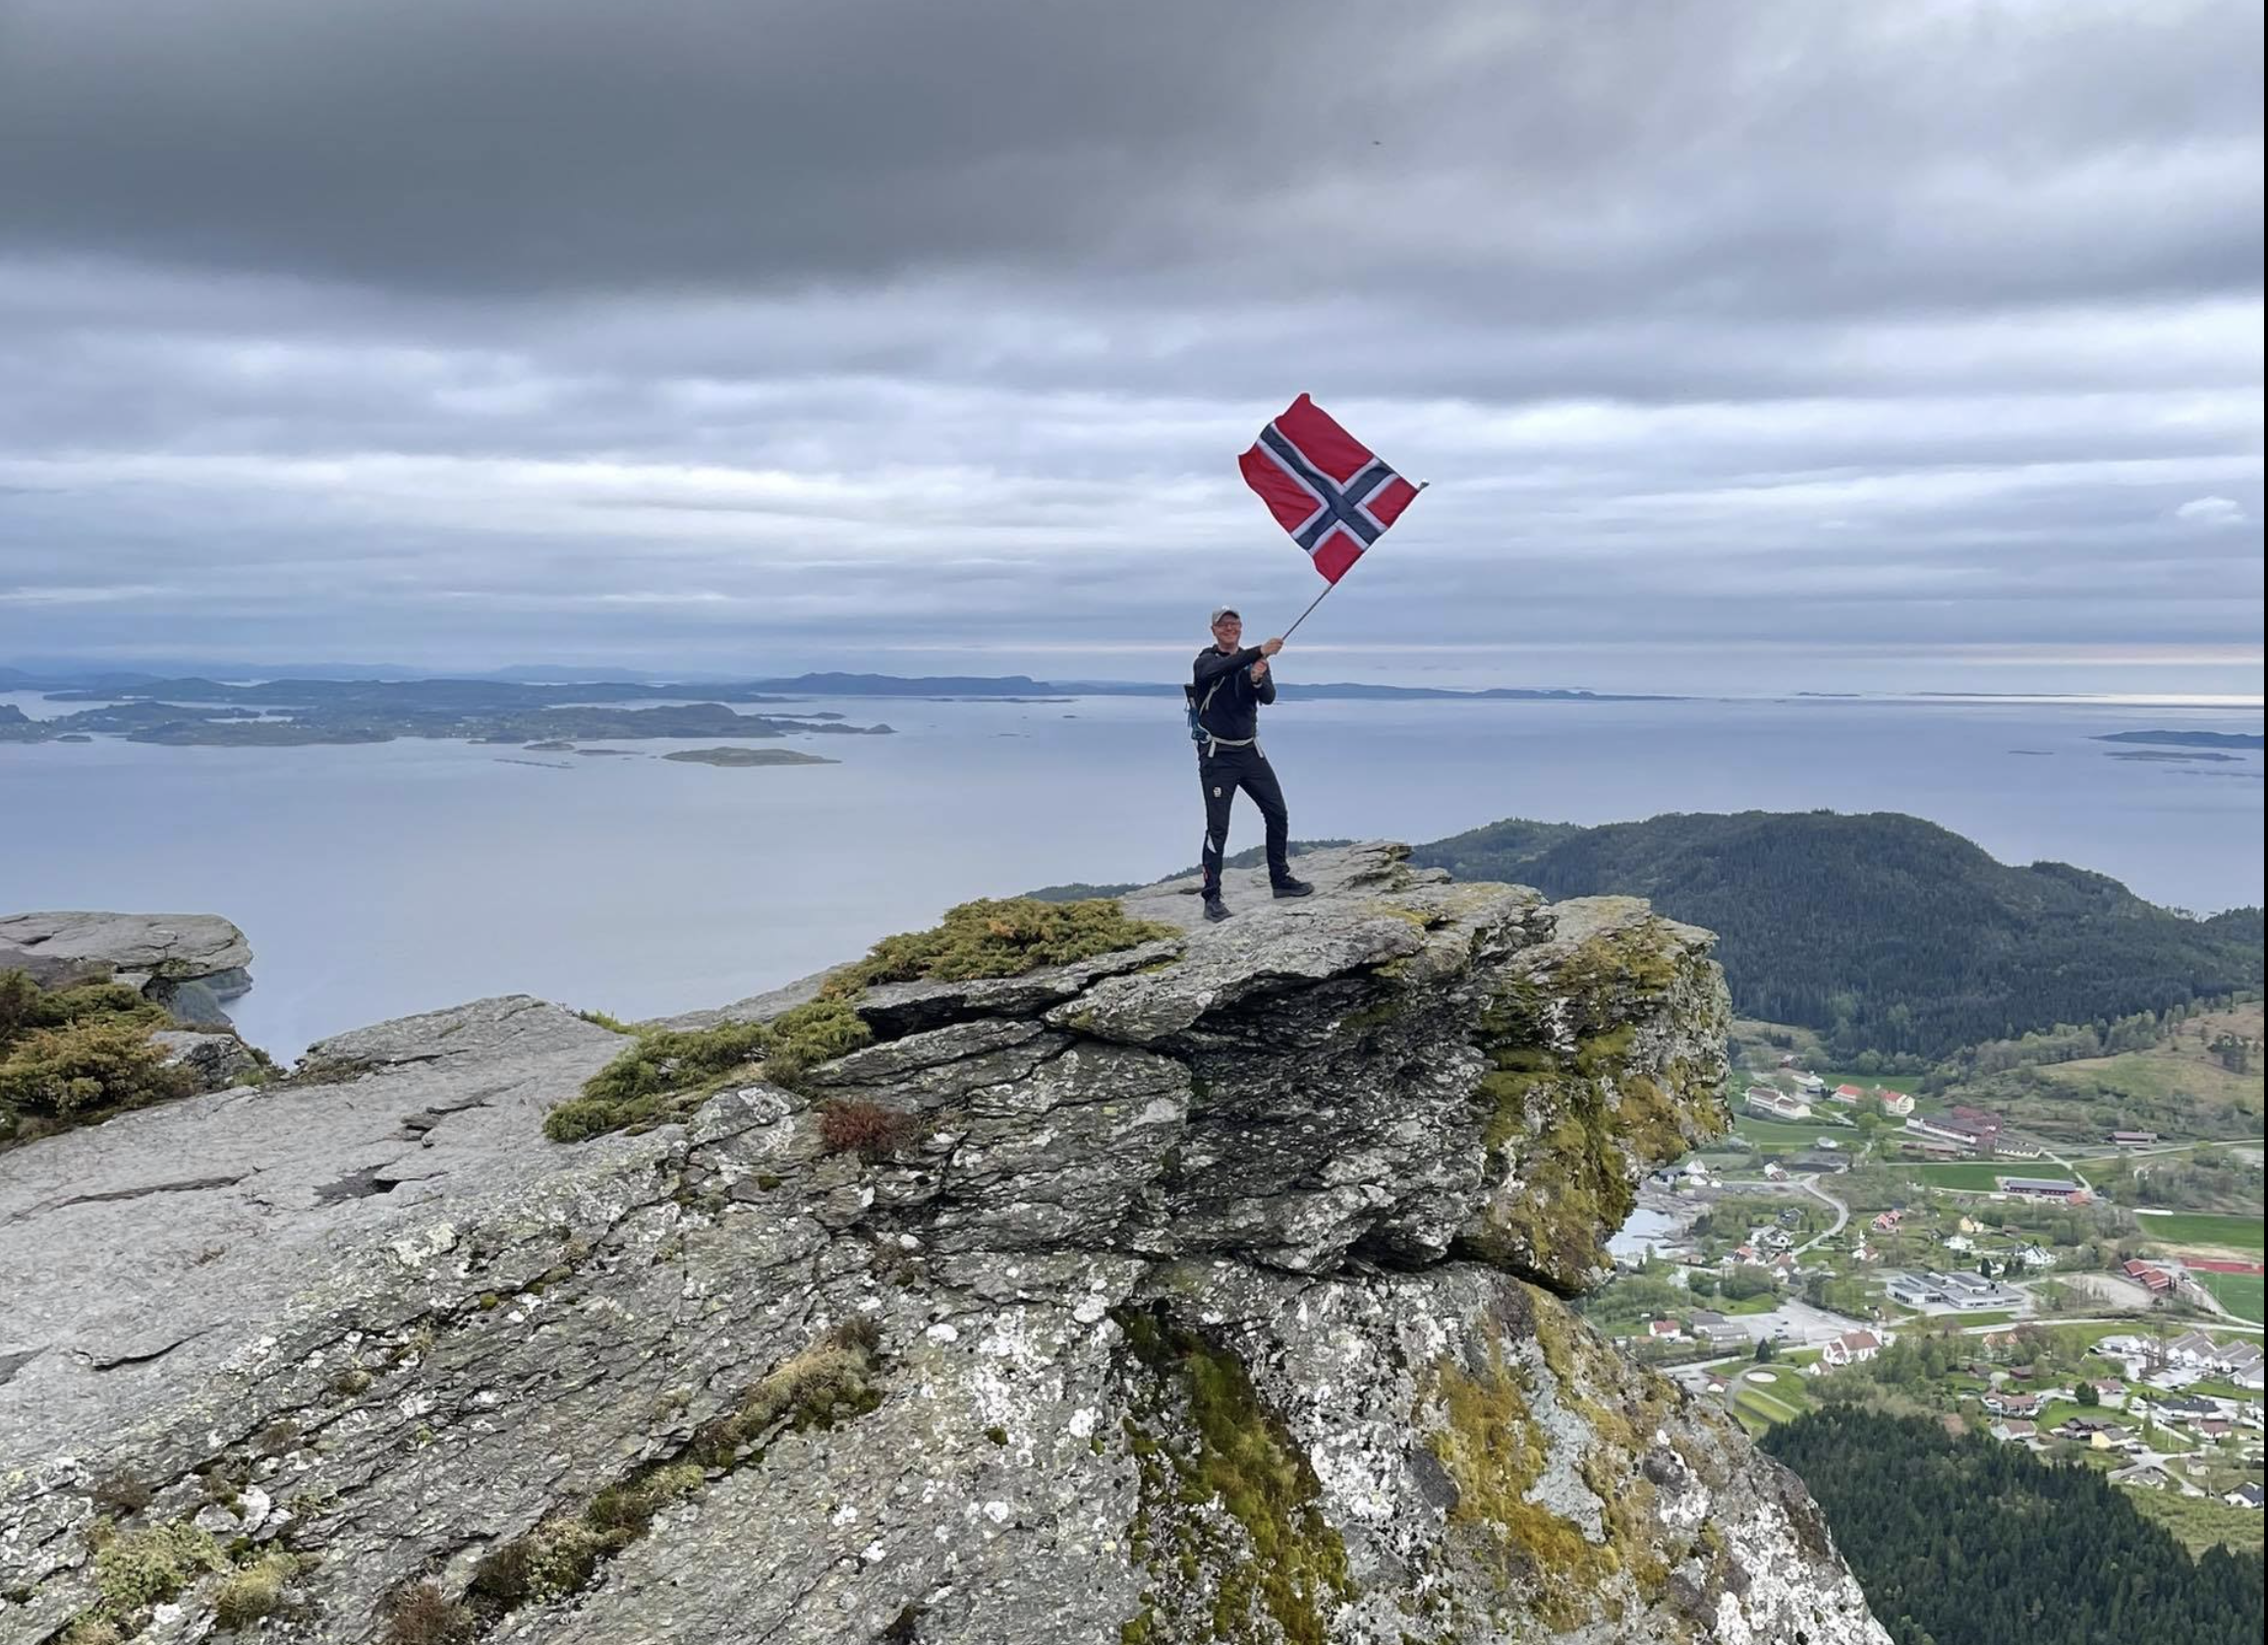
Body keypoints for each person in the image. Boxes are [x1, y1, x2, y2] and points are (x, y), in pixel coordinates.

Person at [1190, 605, 1313, 921]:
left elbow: (1268, 697)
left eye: (1234, 623)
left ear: (1241, 627)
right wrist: (1259, 652)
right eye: (1223, 625)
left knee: (1277, 813)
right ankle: (1212, 898)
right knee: (1218, 828)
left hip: (1249, 752)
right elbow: (1215, 672)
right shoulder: (1205, 661)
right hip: (1218, 756)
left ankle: (1280, 880)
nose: (1229, 628)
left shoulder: (1253, 661)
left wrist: (1257, 679)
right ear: (1214, 630)